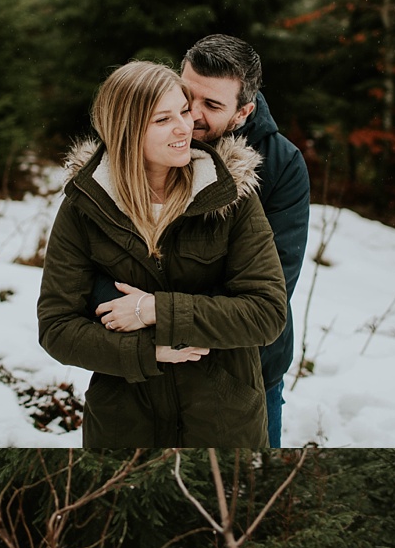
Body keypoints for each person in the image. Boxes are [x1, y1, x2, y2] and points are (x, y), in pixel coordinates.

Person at [36, 60, 287, 448]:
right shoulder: (85, 207)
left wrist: (157, 310)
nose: (185, 127)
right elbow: (57, 328)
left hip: (224, 423)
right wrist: (147, 351)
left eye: (184, 111)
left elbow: (266, 313)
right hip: (124, 426)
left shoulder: (231, 197)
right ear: (126, 131)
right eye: (163, 119)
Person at [180, 34, 310, 449]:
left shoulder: (281, 164)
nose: (192, 115)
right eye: (186, 95)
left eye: (212, 106)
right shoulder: (147, 138)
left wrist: (168, 317)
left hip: (247, 367)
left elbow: (271, 281)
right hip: (152, 363)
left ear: (243, 111)